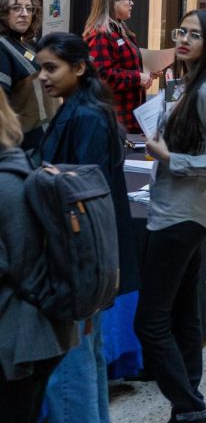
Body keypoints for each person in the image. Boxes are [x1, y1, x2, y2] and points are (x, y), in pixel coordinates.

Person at [140, 9, 206, 422]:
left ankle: (189, 407)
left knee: (149, 322)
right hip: (181, 209)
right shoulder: (192, 83)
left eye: (195, 35)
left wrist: (171, 157)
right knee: (183, 311)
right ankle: (189, 400)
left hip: (182, 216)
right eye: (181, 31)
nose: (183, 39)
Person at [35, 32, 137, 423]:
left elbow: (79, 191)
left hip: (79, 257)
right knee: (86, 354)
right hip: (85, 258)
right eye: (40, 68)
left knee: (72, 365)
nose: (43, 77)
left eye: (51, 68)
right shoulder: (77, 108)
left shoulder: (87, 116)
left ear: (79, 68)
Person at [0, 91, 77, 421]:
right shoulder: (22, 165)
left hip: (21, 338)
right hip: (39, 332)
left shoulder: (7, 184)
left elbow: (14, 264)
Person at [83, 0, 153, 134]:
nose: (131, 3)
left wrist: (147, 72)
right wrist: (137, 77)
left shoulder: (120, 30)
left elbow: (124, 67)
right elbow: (102, 77)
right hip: (113, 120)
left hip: (128, 117)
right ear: (113, 3)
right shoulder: (101, 35)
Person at [0, 0, 57, 149]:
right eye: (16, 8)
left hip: (43, 141)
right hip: (21, 147)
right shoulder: (2, 47)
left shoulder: (27, 44)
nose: (24, 14)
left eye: (29, 9)